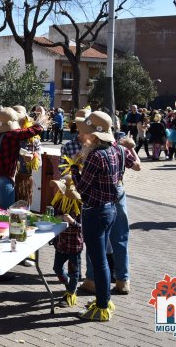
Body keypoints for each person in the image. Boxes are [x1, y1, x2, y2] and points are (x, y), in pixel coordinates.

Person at [70, 111, 136, 321]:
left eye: (87, 133)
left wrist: (73, 168)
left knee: (99, 260)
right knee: (103, 259)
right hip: (110, 209)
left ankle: (102, 306)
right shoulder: (117, 150)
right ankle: (104, 297)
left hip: (95, 211)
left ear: (95, 136)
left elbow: (81, 187)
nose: (84, 136)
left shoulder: (96, 156)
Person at [0, 108, 42, 209]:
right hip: (2, 184)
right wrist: (40, 121)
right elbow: (35, 129)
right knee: (4, 219)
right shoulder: (11, 135)